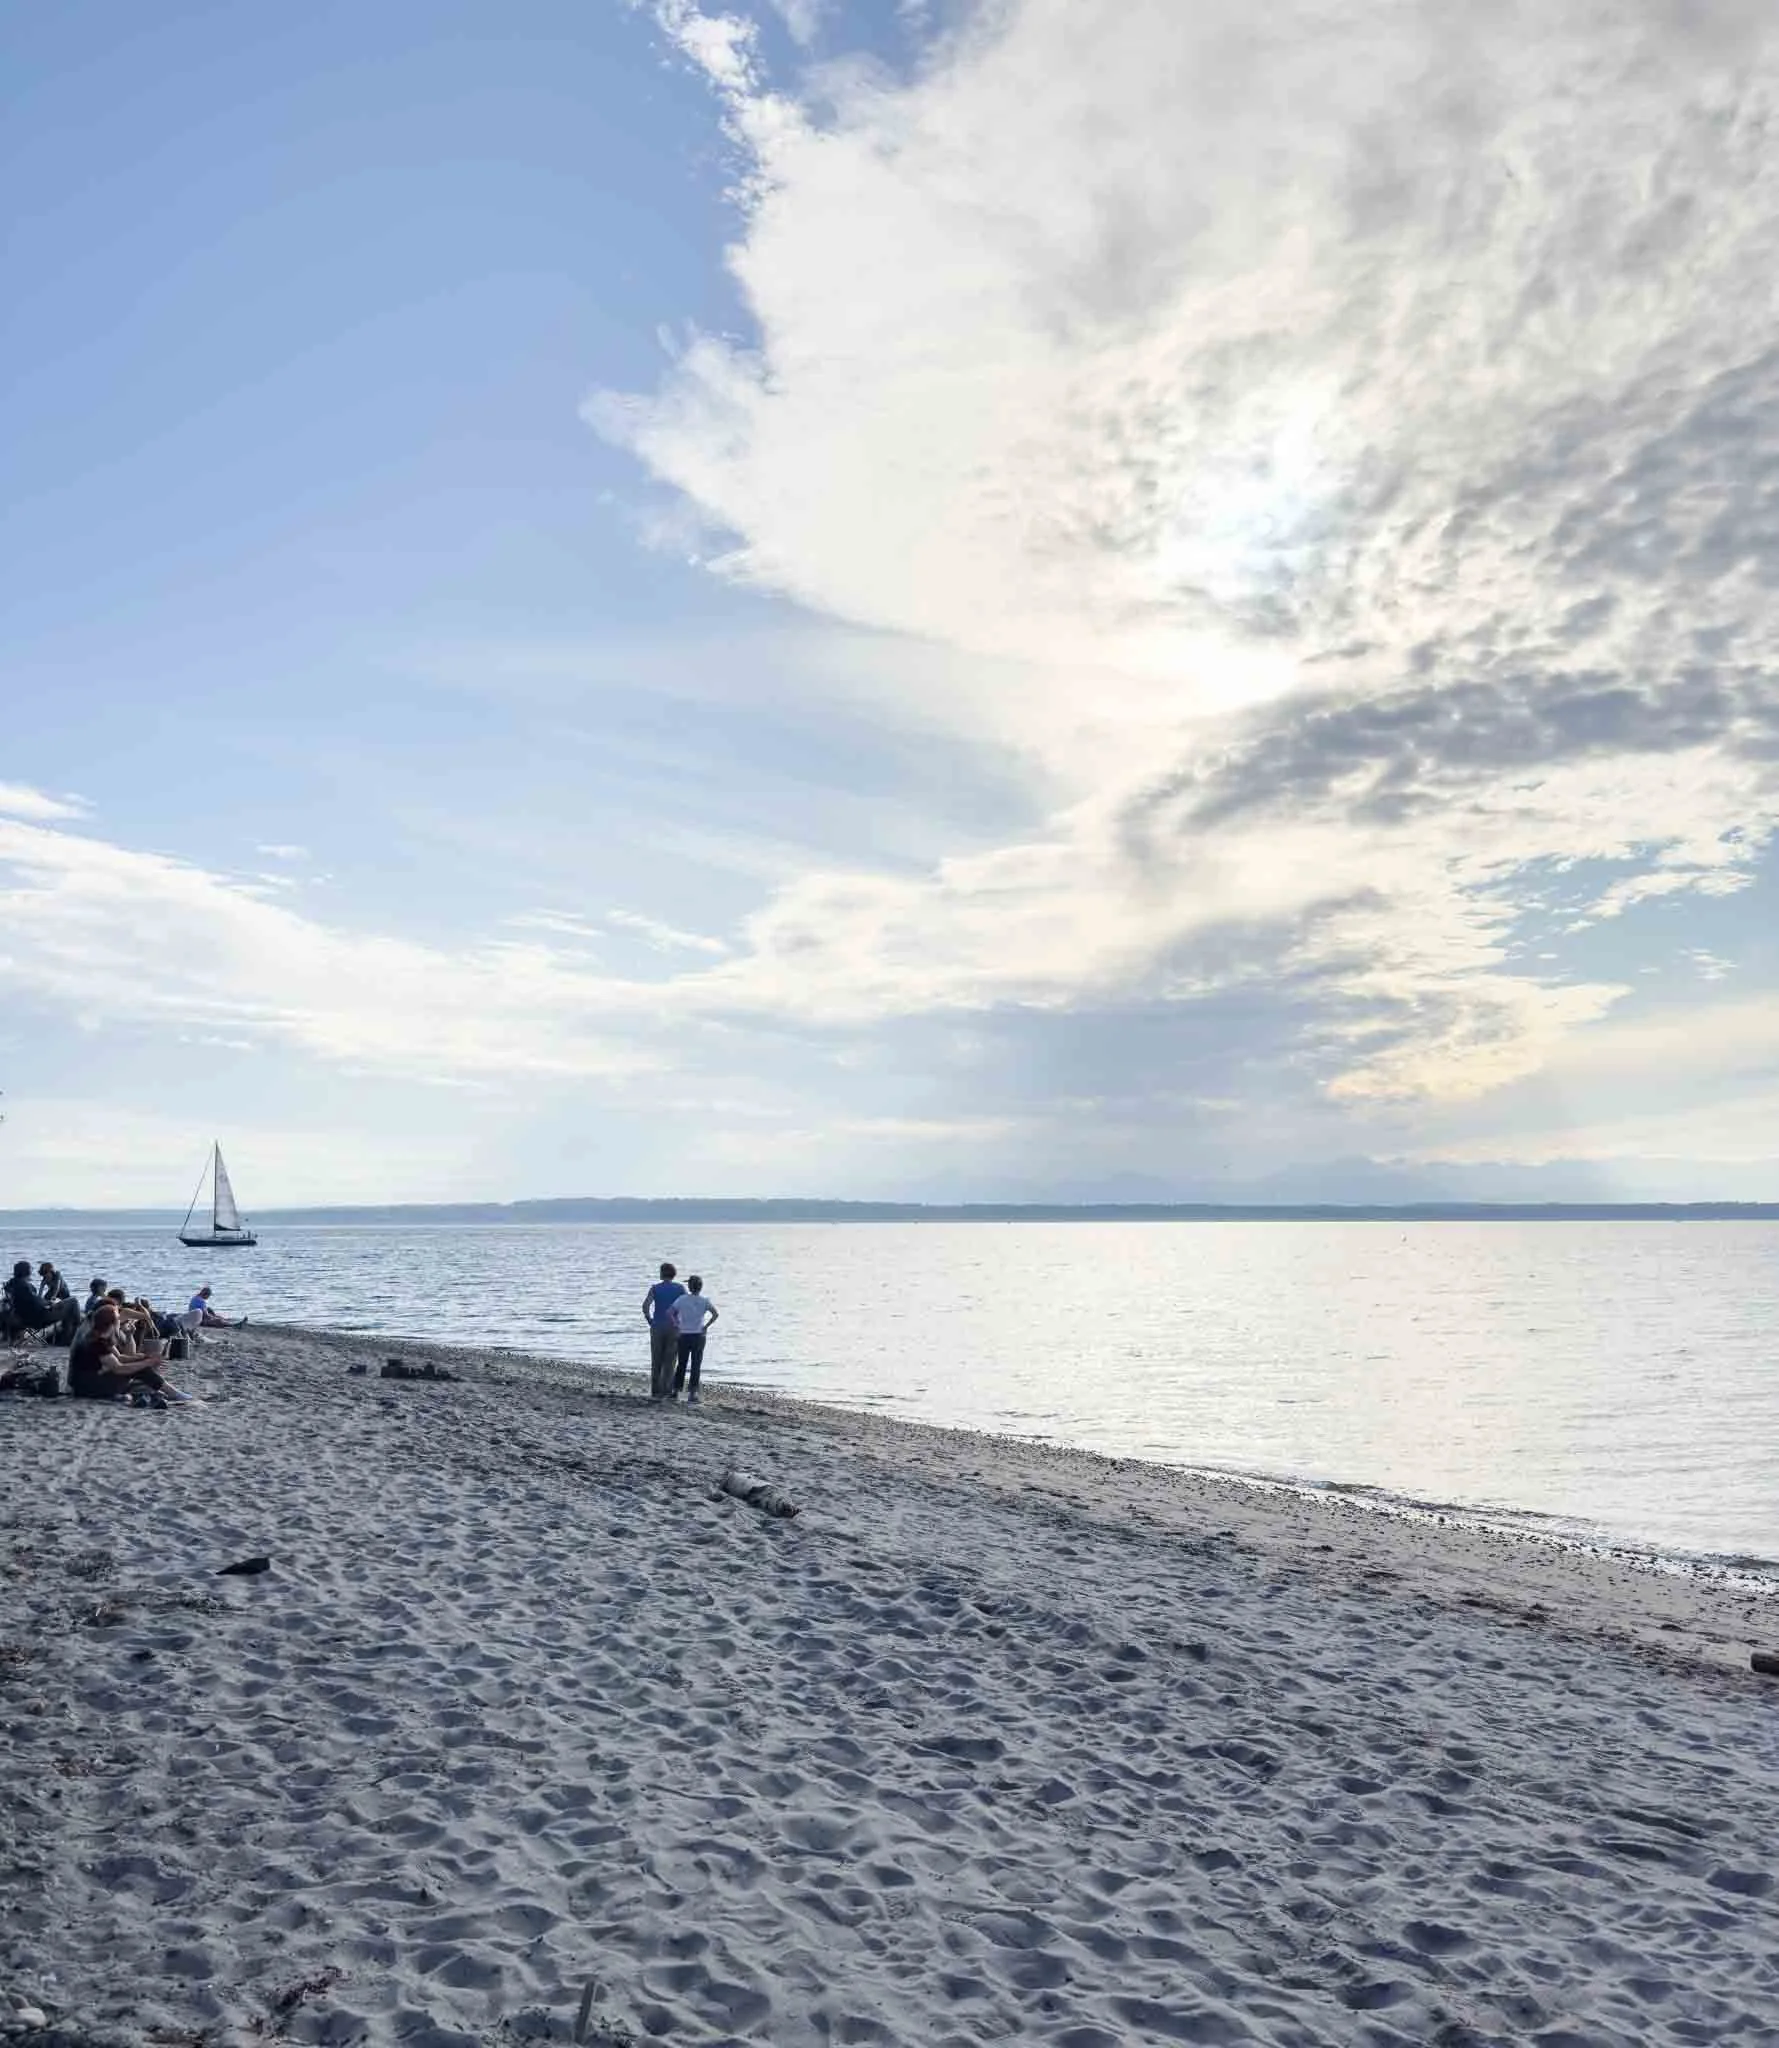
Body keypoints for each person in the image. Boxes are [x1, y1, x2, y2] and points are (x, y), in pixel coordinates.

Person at [67, 1304, 193, 1405]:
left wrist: (144, 1355)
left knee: (139, 1368)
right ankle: (174, 1394)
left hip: (87, 1384)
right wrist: (147, 1362)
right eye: (118, 1319)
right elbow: (119, 1368)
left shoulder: (101, 1336)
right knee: (141, 1370)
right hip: (87, 1388)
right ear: (111, 1323)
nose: (120, 1321)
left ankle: (165, 1391)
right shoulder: (96, 1342)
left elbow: (122, 1358)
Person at [670, 1276, 718, 1407]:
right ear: (700, 1287)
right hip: (698, 1335)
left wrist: (677, 1325)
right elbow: (715, 1314)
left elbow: (670, 1312)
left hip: (684, 1334)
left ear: (690, 1287)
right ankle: (692, 1393)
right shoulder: (704, 1301)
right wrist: (706, 1326)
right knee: (696, 1364)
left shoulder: (681, 1299)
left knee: (682, 1363)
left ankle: (676, 1391)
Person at [4, 1261, 79, 1345]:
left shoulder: (13, 1284)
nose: (32, 1271)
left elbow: (34, 1300)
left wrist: (46, 1301)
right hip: (39, 1318)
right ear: (26, 1272)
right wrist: (50, 1303)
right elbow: (37, 1302)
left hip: (24, 1316)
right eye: (30, 1269)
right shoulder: (24, 1287)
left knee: (67, 1306)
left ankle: (66, 1338)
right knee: (73, 1302)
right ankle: (71, 1337)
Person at [642, 1262, 685, 1404]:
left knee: (656, 1359)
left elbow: (645, 1306)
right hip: (674, 1326)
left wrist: (649, 1319)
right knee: (670, 1360)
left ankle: (656, 1390)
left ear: (662, 1273)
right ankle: (667, 1390)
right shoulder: (680, 1288)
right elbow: (685, 1306)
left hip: (657, 1326)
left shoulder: (655, 1288)